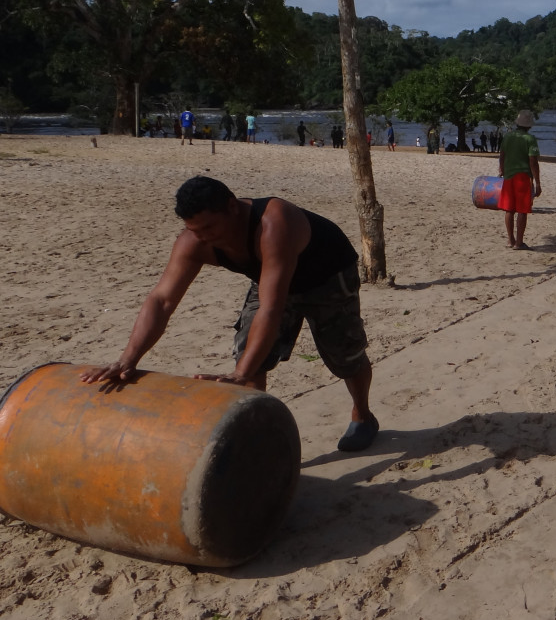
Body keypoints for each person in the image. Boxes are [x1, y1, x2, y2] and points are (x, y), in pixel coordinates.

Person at [79, 176, 379, 452]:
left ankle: (362, 415)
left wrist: (240, 375)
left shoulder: (275, 222)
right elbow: (161, 300)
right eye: (194, 229)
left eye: (209, 227)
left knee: (346, 356)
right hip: (270, 280)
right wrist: (128, 358)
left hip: (326, 276)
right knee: (249, 348)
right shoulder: (194, 241)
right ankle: (258, 438)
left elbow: (271, 307)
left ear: (232, 208)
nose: (204, 237)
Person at [498, 109, 542, 250]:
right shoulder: (530, 139)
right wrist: (538, 182)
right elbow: (533, 162)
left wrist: (502, 170)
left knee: (509, 209)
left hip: (509, 176)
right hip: (523, 178)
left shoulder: (508, 137)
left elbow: (502, 155)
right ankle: (519, 242)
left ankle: (510, 240)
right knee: (522, 210)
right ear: (529, 125)